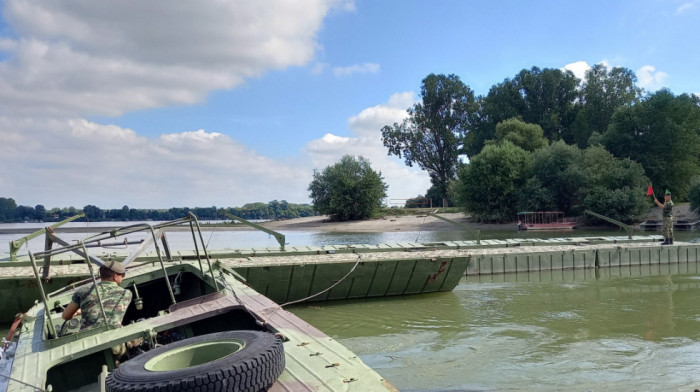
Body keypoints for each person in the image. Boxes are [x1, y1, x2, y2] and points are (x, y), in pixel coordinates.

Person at [62, 260, 132, 331]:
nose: (123, 278)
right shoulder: (126, 293)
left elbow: (65, 316)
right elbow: (108, 306)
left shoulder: (82, 291)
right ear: (115, 277)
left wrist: (79, 311)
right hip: (112, 336)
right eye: (122, 275)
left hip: (86, 338)